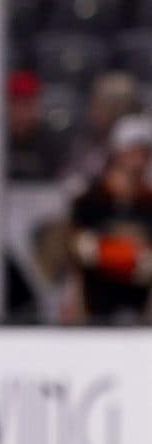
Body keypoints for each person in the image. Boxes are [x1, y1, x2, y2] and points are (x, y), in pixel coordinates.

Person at [65, 114, 152, 323]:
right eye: (133, 151)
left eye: (144, 153)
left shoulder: (148, 201)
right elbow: (79, 247)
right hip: (96, 305)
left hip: (140, 309)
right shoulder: (92, 199)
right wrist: (128, 256)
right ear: (118, 152)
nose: (138, 160)